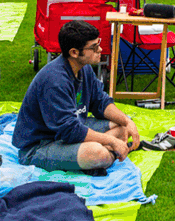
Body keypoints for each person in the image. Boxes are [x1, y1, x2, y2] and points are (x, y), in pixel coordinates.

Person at [12, 20, 141, 172]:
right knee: (97, 154)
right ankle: (105, 155)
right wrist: (111, 141)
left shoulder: (83, 68)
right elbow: (69, 130)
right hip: (40, 145)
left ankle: (101, 153)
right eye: (94, 47)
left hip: (72, 128)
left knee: (122, 126)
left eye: (98, 43)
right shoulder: (55, 80)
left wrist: (126, 121)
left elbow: (101, 102)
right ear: (74, 52)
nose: (100, 49)